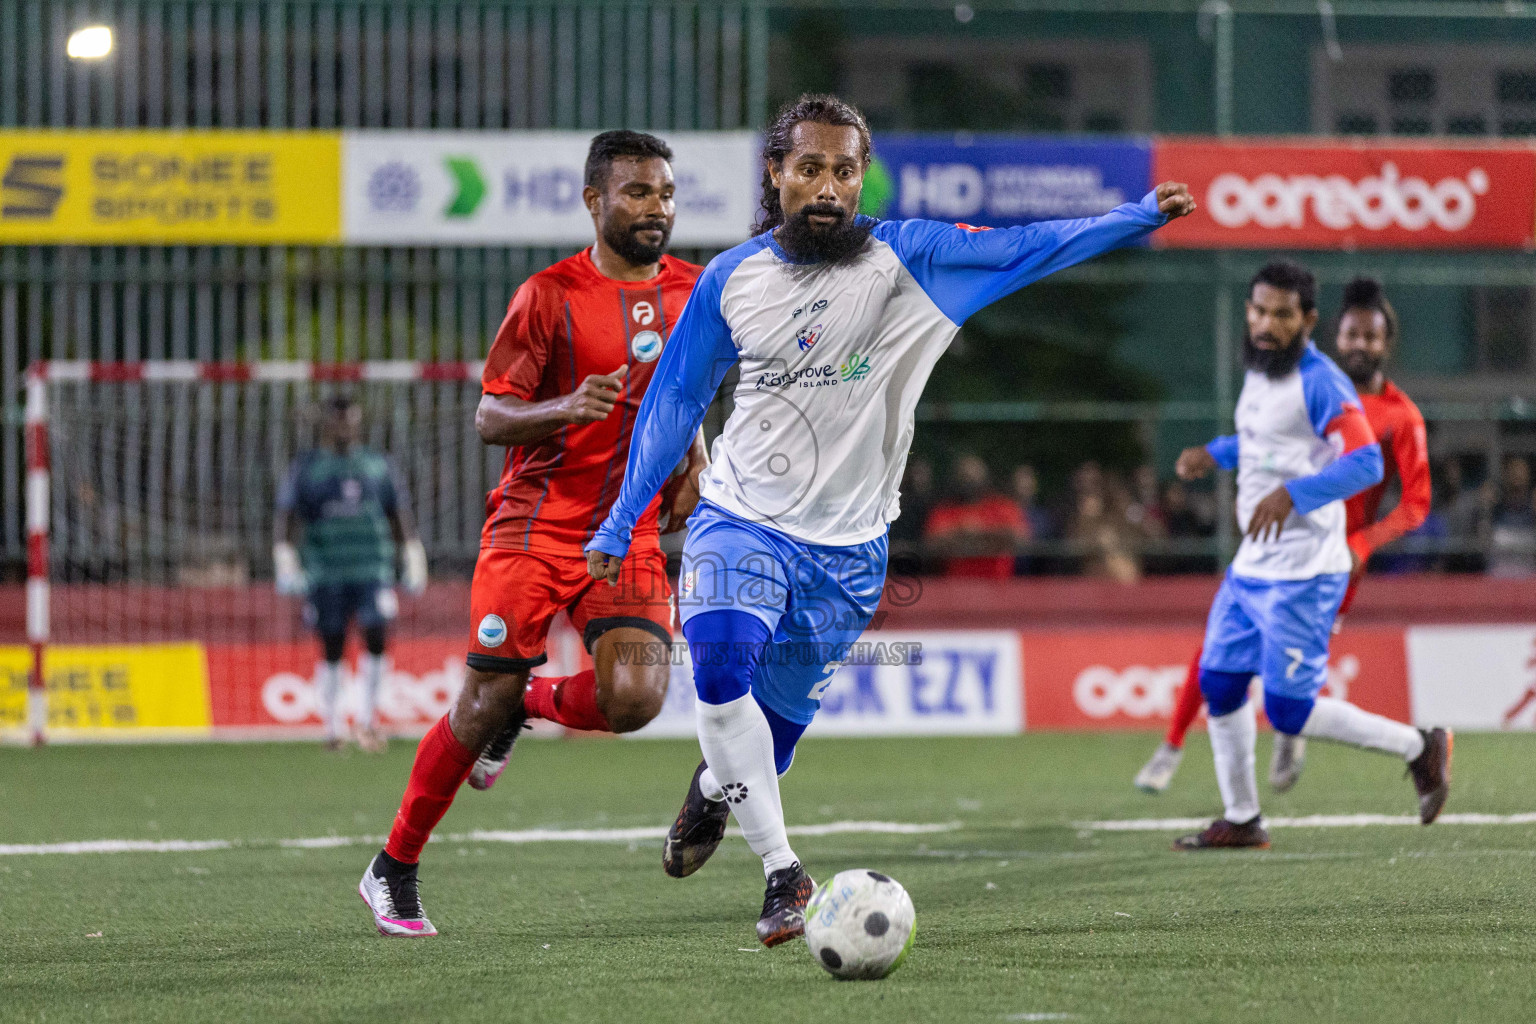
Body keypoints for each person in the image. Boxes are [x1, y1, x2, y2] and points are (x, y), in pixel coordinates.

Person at [583, 93, 1196, 944]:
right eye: (809, 169)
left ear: (863, 176)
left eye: (844, 170)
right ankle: (783, 875)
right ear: (776, 174)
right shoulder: (733, 278)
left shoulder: (915, 261)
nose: (827, 187)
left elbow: (1029, 248)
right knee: (721, 676)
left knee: (778, 729)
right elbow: (676, 400)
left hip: (849, 551)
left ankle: (714, 788)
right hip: (739, 520)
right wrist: (622, 521)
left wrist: (1131, 218)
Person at [359, 130, 708, 937]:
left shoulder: (697, 289)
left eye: (664, 193)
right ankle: (394, 867)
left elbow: (689, 390)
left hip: (627, 535)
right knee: (478, 703)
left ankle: (528, 706)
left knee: (635, 700)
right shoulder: (548, 295)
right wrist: (562, 408)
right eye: (636, 193)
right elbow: (490, 414)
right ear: (595, 201)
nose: (655, 208)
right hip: (535, 529)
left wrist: (697, 456)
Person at [1154, 261, 1449, 851]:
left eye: (1281, 315)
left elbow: (1364, 463)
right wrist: (1214, 453)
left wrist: (1294, 495)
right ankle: (1242, 819)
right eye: (1258, 311)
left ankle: (1422, 746)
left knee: (1288, 713)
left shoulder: (1321, 381)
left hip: (1306, 571)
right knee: (1221, 681)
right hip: (1254, 567)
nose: (1266, 323)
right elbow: (1267, 441)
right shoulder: (1262, 370)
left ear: (1307, 321)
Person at [274, 395, 427, 753]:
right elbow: (289, 515)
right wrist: (284, 556)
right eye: (338, 419)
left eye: (350, 419)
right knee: (332, 644)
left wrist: (412, 553)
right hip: (326, 570)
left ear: (358, 422)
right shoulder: (308, 467)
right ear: (327, 423)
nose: (344, 426)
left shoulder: (377, 465)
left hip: (372, 566)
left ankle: (368, 721)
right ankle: (332, 727)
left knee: (376, 634)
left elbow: (396, 513)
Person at [922, 454, 1027, 579]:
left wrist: (981, 531)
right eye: (964, 477)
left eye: (973, 477)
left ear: (984, 478)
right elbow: (931, 543)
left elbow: (1021, 538)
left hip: (999, 585)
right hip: (955, 585)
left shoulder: (1003, 507)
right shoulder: (944, 511)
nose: (969, 482)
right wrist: (961, 532)